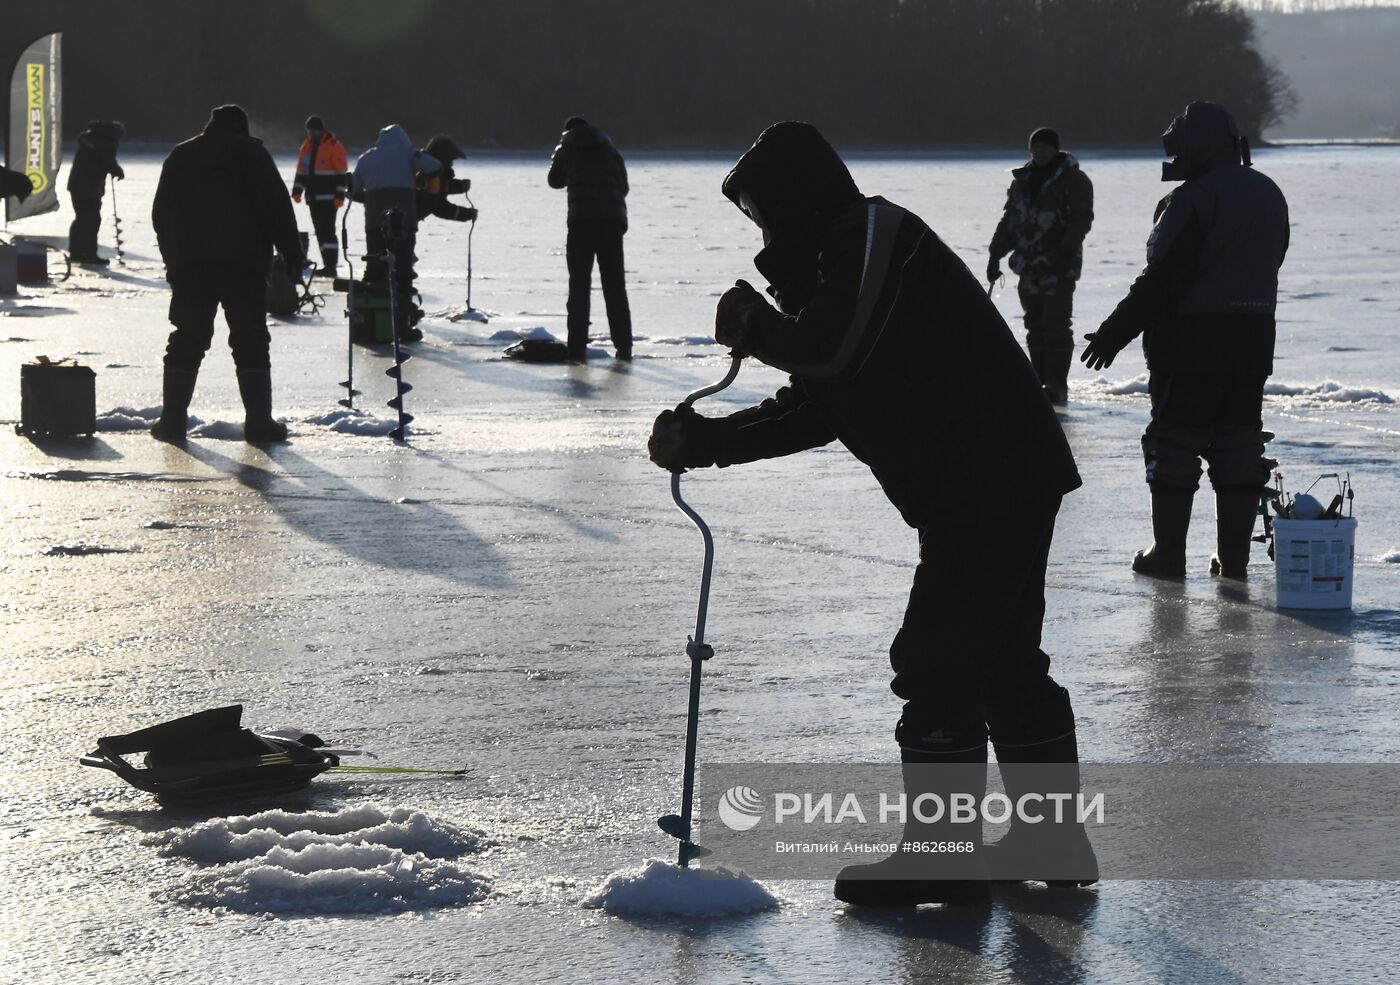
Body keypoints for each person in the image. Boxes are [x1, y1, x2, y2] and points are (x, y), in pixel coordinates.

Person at [647, 122, 1096, 906]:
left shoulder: (874, 232)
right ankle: (1049, 838)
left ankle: (947, 857)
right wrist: (709, 440)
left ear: (797, 192)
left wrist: (757, 326)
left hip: (986, 476)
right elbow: (818, 401)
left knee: (938, 660)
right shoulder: (837, 264)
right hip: (996, 474)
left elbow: (831, 350)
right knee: (1002, 661)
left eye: (762, 211)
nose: (762, 229)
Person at [1082, 102, 1289, 579]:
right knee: (1238, 443)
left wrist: (1114, 334)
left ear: (1195, 148)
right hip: (1252, 341)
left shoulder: (1191, 200)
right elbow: (1270, 259)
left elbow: (1163, 280)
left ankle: (1168, 553)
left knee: (1173, 443)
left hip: (1190, 343)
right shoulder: (1268, 193)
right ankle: (1234, 559)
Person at [150, 104, 303, 443]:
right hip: (243, 267)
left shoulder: (181, 154)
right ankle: (259, 423)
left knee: (186, 338)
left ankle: (172, 421)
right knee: (250, 340)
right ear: (242, 128)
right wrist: (292, 255)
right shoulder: (252, 154)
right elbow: (276, 208)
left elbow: (161, 213)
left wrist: (173, 258)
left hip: (191, 267)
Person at [988, 127, 1093, 405]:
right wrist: (995, 253)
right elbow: (1011, 219)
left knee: (1056, 325)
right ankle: (1040, 382)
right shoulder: (1022, 181)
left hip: (1059, 267)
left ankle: (1057, 384)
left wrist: (1065, 252)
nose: (1041, 152)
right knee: (1034, 325)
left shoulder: (1075, 180)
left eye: (1046, 146)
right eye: (1036, 147)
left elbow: (1081, 220)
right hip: (1029, 266)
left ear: (1055, 149)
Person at [547, 116, 631, 362]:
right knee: (615, 287)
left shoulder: (566, 148)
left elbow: (554, 181)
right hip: (611, 223)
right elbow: (624, 185)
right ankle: (624, 347)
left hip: (581, 223)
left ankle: (576, 348)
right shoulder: (609, 148)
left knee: (579, 286)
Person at [351, 124, 440, 342]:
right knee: (402, 270)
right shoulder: (409, 153)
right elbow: (434, 166)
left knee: (375, 268)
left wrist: (371, 198)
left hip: (374, 224)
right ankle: (402, 324)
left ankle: (369, 320)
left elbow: (353, 190)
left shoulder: (366, 158)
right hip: (403, 223)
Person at [290, 116, 349, 276]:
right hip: (313, 199)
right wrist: (297, 190)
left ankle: (331, 266)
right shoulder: (306, 148)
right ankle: (327, 265)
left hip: (329, 199)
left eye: (314, 129)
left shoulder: (334, 146)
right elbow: (302, 172)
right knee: (320, 232)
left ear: (321, 129)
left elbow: (340, 174)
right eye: (309, 130)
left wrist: (339, 195)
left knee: (328, 231)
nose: (311, 133)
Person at [67, 120, 126, 265]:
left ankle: (76, 252)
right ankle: (88, 253)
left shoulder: (92, 139)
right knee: (91, 220)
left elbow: (102, 160)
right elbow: (106, 160)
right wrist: (117, 171)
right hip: (88, 187)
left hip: (80, 185)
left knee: (82, 219)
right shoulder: (103, 143)